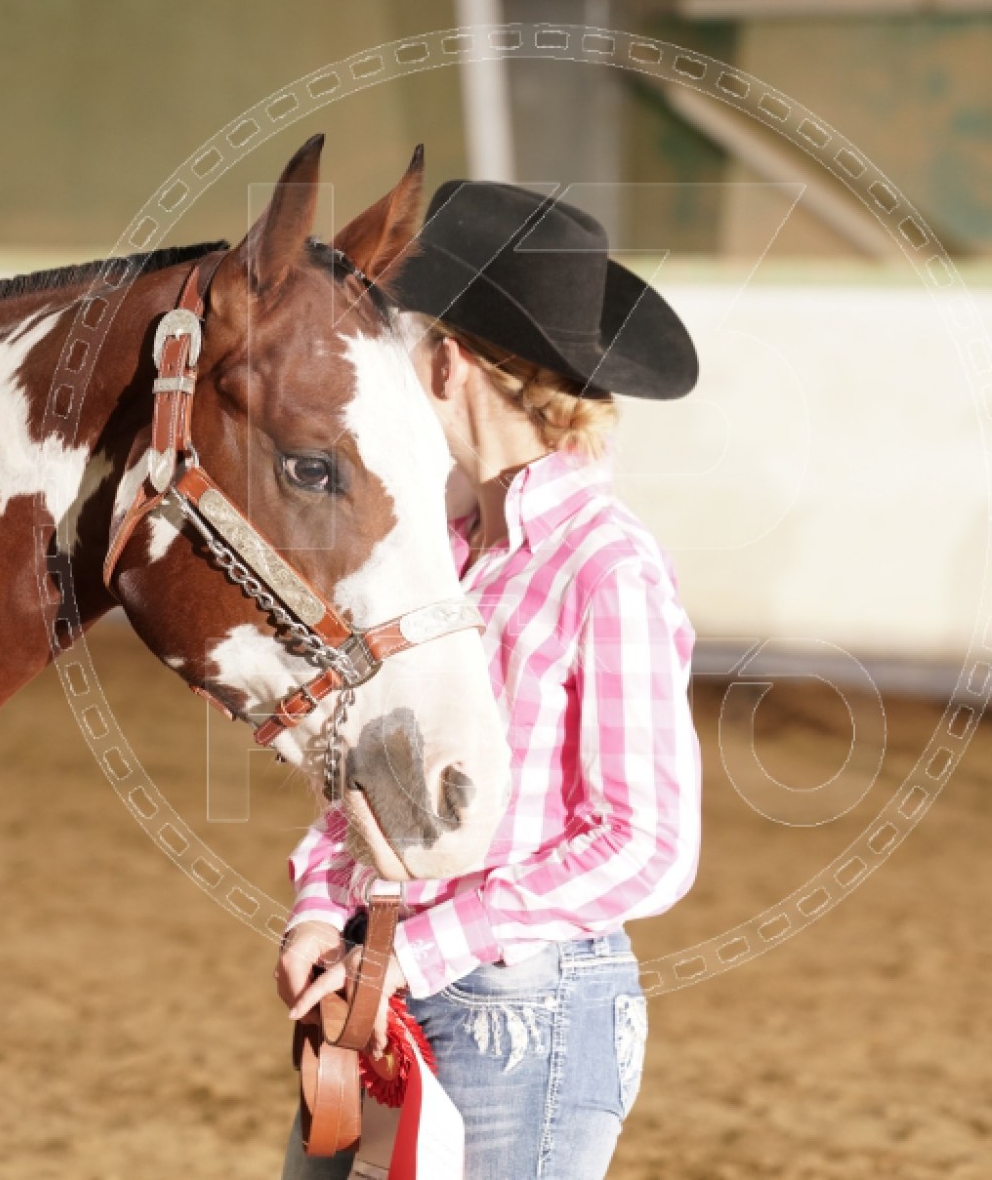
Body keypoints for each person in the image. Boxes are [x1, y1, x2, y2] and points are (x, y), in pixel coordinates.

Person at [274, 182, 704, 1179]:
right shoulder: (447, 553)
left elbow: (648, 845)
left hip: (519, 1014)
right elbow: (377, 776)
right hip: (394, 984)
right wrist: (320, 904)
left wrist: (419, 950)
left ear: (447, 363)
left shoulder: (606, 565)